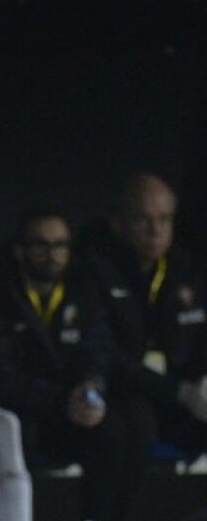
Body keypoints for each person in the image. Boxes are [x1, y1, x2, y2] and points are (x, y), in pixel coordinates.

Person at [0, 208, 146, 521]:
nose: (52, 255)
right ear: (20, 250)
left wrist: (91, 386)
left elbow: (99, 346)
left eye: (60, 245)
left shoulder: (83, 286)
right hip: (24, 409)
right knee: (9, 435)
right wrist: (61, 401)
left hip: (69, 409)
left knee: (117, 432)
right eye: (41, 245)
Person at [83, 173, 207, 462]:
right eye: (143, 220)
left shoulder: (189, 269)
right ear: (118, 223)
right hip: (124, 394)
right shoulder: (93, 270)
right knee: (133, 426)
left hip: (183, 392)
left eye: (164, 219)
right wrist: (179, 391)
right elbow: (105, 353)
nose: (155, 231)